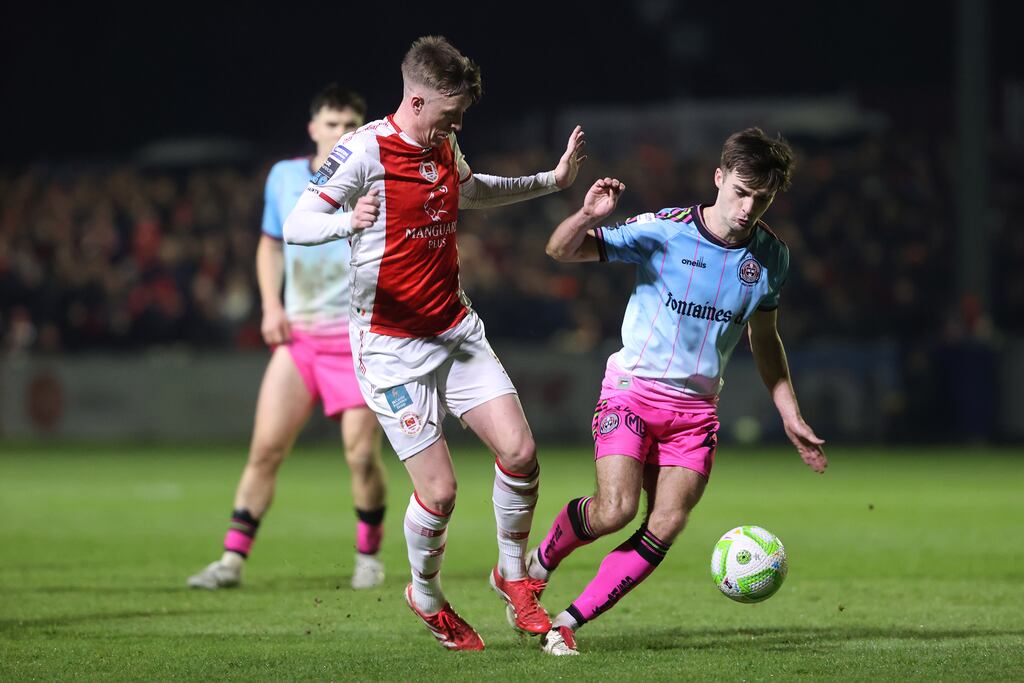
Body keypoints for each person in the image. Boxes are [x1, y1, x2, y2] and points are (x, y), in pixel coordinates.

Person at [283, 36, 585, 651]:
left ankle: (512, 574)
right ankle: (424, 592)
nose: (459, 123)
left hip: (454, 328)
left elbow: (473, 191)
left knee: (521, 453)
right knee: (440, 492)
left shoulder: (442, 141)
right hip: (390, 346)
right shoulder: (364, 149)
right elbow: (297, 223)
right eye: (451, 112)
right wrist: (349, 220)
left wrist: (552, 180)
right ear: (416, 99)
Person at [525, 128, 828, 656]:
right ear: (719, 178)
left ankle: (568, 623)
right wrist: (586, 218)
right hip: (632, 392)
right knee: (614, 510)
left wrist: (789, 413)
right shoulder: (663, 231)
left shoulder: (771, 259)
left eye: (762, 197)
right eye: (740, 191)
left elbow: (765, 339)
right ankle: (537, 566)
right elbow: (560, 250)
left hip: (695, 414)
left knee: (664, 525)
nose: (748, 207)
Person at [188, 85, 390, 591]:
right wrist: (271, 304)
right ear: (313, 128)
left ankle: (368, 556)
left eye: (350, 124)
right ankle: (231, 561)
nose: (340, 132)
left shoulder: (375, 180)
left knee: (361, 455)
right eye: (332, 122)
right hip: (300, 340)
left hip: (355, 339)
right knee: (265, 451)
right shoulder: (284, 177)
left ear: (361, 129)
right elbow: (269, 245)